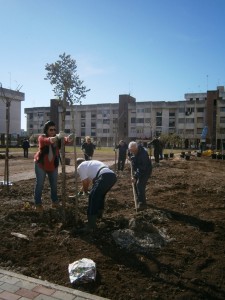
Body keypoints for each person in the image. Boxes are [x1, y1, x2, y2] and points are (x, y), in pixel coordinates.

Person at [33, 121, 73, 211]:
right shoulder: (42, 138)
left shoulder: (58, 139)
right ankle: (38, 203)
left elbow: (66, 140)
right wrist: (57, 137)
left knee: (54, 185)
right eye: (51, 130)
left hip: (53, 165)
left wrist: (70, 138)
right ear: (46, 130)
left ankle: (54, 201)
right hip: (41, 165)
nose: (53, 131)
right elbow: (49, 141)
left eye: (54, 130)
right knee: (40, 184)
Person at [76, 158, 117, 233]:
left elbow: (85, 181)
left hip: (104, 177)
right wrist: (83, 191)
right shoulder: (92, 163)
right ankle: (98, 216)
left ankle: (91, 226)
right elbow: (88, 181)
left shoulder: (80, 167)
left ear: (77, 164)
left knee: (92, 197)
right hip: (112, 176)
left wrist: (85, 192)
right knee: (100, 196)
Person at [128, 141, 152, 211]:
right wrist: (131, 157)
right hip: (139, 169)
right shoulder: (132, 150)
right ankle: (139, 198)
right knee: (136, 184)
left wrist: (135, 176)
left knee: (140, 184)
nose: (132, 152)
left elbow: (142, 168)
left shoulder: (143, 154)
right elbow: (130, 154)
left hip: (146, 170)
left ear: (136, 148)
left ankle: (143, 204)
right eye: (131, 151)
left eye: (133, 151)